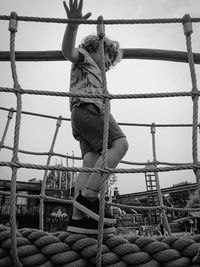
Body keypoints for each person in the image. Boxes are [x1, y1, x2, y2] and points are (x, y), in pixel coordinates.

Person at [62, 0, 129, 234]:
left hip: (78, 116)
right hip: (89, 110)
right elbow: (67, 51)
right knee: (120, 144)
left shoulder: (94, 69)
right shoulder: (85, 57)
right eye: (107, 59)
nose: (107, 66)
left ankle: (79, 219)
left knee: (90, 161)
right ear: (94, 48)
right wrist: (72, 26)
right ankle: (90, 196)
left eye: (110, 65)